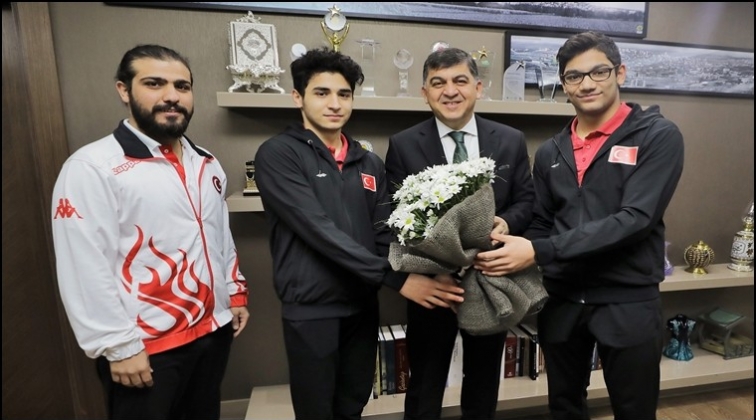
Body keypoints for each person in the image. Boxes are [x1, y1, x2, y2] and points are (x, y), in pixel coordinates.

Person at [474, 31, 685, 420]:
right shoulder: (551, 151)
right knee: (564, 406)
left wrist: (538, 251)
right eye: (574, 76)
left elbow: (635, 220)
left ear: (620, 73)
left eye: (598, 72)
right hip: (563, 300)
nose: (587, 84)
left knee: (635, 410)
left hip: (627, 299)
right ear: (564, 84)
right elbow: (542, 221)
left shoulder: (658, 136)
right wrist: (510, 239)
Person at [51, 44, 249, 420]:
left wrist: (233, 292)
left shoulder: (206, 162)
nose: (172, 96)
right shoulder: (92, 167)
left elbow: (219, 237)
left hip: (212, 334)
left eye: (182, 86)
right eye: (154, 84)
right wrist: (119, 346)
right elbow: (84, 267)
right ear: (124, 90)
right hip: (145, 347)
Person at [254, 47, 445, 420]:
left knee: (353, 404)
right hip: (312, 310)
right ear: (298, 97)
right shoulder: (278, 155)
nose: (334, 103)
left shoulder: (368, 161)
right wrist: (397, 280)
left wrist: (429, 266)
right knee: (316, 411)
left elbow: (384, 234)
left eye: (344, 94)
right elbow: (318, 230)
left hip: (362, 307)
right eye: (321, 93)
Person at [384, 47, 535, 420]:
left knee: (484, 382)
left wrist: (506, 222)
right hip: (433, 286)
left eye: (460, 81)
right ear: (425, 93)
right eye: (438, 83)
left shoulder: (510, 139)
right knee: (424, 383)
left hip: (490, 279)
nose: (449, 91)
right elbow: (397, 215)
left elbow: (526, 200)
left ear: (478, 88)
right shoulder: (403, 144)